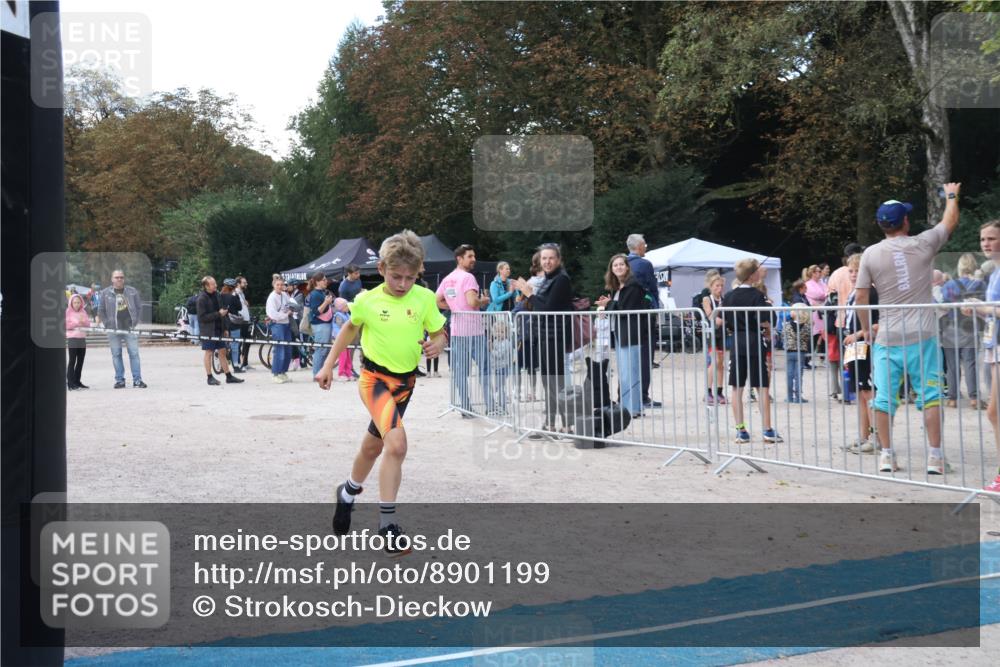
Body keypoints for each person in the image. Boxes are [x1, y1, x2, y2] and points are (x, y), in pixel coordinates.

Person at [315, 230, 447, 555]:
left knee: (374, 446)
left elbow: (439, 332)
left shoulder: (424, 298)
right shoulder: (367, 300)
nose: (402, 284)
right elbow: (349, 329)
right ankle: (388, 527)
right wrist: (328, 365)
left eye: (410, 278)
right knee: (397, 445)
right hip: (374, 380)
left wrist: (438, 344)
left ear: (418, 273)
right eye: (396, 276)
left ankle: (347, 492)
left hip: (405, 385)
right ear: (382, 269)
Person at [854, 184, 961, 475]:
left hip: (888, 336)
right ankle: (935, 457)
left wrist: (866, 329)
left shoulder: (870, 253)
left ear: (881, 224)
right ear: (905, 221)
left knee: (884, 398)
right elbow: (949, 221)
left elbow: (861, 297)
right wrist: (951, 196)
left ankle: (887, 455)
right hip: (923, 335)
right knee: (931, 396)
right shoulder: (923, 243)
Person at [512, 243, 575, 435]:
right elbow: (540, 306)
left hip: (555, 336)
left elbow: (547, 308)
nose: (547, 262)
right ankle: (550, 424)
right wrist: (528, 295)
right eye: (544, 258)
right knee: (549, 381)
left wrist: (529, 293)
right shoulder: (549, 279)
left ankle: (566, 425)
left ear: (559, 260)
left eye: (551, 258)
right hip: (545, 335)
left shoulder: (561, 279)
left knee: (556, 381)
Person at [721, 258, 782, 444]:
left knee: (736, 388)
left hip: (737, 342)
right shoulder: (757, 295)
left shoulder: (729, 296)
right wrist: (768, 326)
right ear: (752, 275)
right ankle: (767, 429)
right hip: (755, 341)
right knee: (761, 387)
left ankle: (741, 430)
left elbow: (724, 319)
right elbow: (764, 320)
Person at [965, 220, 1000, 491]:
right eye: (982, 239)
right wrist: (977, 310)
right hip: (993, 345)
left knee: (994, 411)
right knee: (994, 412)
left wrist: (982, 308)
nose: (986, 244)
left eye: (991, 238)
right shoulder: (994, 272)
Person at [436, 244, 491, 417]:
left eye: (474, 256)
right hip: (474, 330)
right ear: (459, 259)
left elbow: (437, 300)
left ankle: (465, 407)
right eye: (470, 256)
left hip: (458, 331)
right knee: (485, 368)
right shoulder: (468, 277)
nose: (474, 259)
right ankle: (491, 405)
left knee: (460, 371)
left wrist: (454, 307)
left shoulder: (448, 278)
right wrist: (484, 301)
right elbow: (473, 302)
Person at [596, 254, 652, 418]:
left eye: (621, 264)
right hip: (621, 332)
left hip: (631, 333)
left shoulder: (632, 285)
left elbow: (624, 308)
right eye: (615, 265)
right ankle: (632, 406)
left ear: (627, 267)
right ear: (611, 269)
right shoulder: (618, 287)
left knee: (629, 372)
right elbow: (618, 307)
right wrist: (608, 305)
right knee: (626, 371)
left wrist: (608, 304)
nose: (619, 267)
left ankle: (631, 408)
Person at [842, 254, 880, 453]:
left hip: (867, 346)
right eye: (851, 271)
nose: (854, 274)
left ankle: (876, 436)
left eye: (858, 271)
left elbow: (879, 323)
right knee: (860, 392)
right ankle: (863, 435)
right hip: (854, 348)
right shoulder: (853, 293)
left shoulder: (872, 293)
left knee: (869, 391)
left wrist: (857, 334)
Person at [940, 253, 987, 409]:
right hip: (970, 326)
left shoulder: (949, 285)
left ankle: (952, 399)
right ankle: (974, 398)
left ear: (959, 267)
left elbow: (942, 303)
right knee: (970, 363)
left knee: (952, 365)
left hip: (949, 327)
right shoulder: (980, 285)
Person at [625, 233, 662, 410]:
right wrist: (656, 308)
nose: (646, 247)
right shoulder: (644, 264)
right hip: (644, 314)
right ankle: (643, 396)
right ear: (639, 246)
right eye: (644, 244)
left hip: (626, 317)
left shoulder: (621, 263)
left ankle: (628, 395)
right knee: (645, 356)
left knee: (628, 358)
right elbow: (653, 288)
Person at [99, 270, 147, 389]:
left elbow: (139, 307)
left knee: (134, 354)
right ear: (112, 279)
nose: (119, 279)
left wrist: (135, 322)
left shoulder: (132, 291)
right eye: (117, 277)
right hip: (113, 329)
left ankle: (137, 380)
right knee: (116, 354)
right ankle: (120, 380)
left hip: (129, 328)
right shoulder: (105, 293)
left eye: (121, 277)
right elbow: (101, 310)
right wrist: (107, 324)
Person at [196, 276, 244, 386]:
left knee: (223, 351)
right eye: (213, 284)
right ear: (206, 286)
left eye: (215, 283)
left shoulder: (217, 295)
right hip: (208, 331)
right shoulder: (201, 298)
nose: (216, 285)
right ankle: (209, 377)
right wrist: (218, 314)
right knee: (209, 353)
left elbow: (222, 312)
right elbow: (202, 318)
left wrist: (225, 328)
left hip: (219, 329)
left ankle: (229, 376)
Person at [701, 272, 727, 405]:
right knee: (714, 361)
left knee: (721, 363)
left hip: (722, 334)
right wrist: (721, 318)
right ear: (711, 286)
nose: (719, 288)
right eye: (717, 286)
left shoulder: (724, 299)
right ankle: (708, 392)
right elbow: (711, 316)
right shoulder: (707, 299)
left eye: (721, 286)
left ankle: (719, 391)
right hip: (711, 333)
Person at [306, 272, 336, 376]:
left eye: (326, 279)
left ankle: (321, 373)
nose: (326, 281)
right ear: (317, 282)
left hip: (324, 324)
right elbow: (316, 311)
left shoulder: (321, 292)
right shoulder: (315, 294)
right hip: (320, 325)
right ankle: (317, 374)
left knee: (325, 350)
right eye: (323, 280)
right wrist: (326, 302)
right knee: (321, 350)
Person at [266, 274, 294, 383]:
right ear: (274, 285)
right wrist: (286, 314)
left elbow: (290, 304)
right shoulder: (272, 297)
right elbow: (272, 314)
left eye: (281, 284)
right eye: (277, 284)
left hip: (286, 324)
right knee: (279, 350)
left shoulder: (284, 294)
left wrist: (292, 309)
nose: (280, 286)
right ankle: (275, 373)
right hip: (277, 324)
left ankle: (283, 372)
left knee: (288, 350)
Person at [783, 304, 811, 403]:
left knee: (789, 375)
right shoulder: (807, 326)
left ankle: (789, 397)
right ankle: (798, 397)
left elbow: (783, 335)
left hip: (789, 351)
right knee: (798, 375)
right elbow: (808, 337)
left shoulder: (786, 325)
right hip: (801, 352)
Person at [66, 293, 91, 390]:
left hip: (82, 339)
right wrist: (77, 323)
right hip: (72, 339)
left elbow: (88, 324)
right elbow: (66, 325)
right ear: (71, 303)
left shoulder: (83, 312)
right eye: (75, 302)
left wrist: (83, 322)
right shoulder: (68, 312)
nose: (77, 304)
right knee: (72, 361)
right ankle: (70, 383)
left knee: (80, 361)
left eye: (78, 302)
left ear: (81, 303)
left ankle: (77, 381)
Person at [220, 279, 245, 374]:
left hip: (223, 323)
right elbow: (240, 307)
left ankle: (222, 365)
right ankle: (235, 365)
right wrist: (237, 296)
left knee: (222, 344)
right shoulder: (233, 297)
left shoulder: (220, 296)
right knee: (235, 345)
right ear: (233, 288)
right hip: (233, 323)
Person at [331, 298, 354, 381]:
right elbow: (342, 327)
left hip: (346, 338)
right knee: (343, 356)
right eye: (346, 306)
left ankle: (348, 373)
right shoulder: (338, 315)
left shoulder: (347, 314)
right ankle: (341, 373)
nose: (348, 307)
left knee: (348, 356)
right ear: (341, 307)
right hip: (340, 339)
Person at [235, 276, 252, 370]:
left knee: (247, 342)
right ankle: (238, 363)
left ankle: (245, 363)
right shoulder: (236, 293)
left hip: (246, 321)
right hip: (241, 321)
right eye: (244, 282)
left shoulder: (242, 293)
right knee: (239, 343)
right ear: (238, 284)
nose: (246, 284)